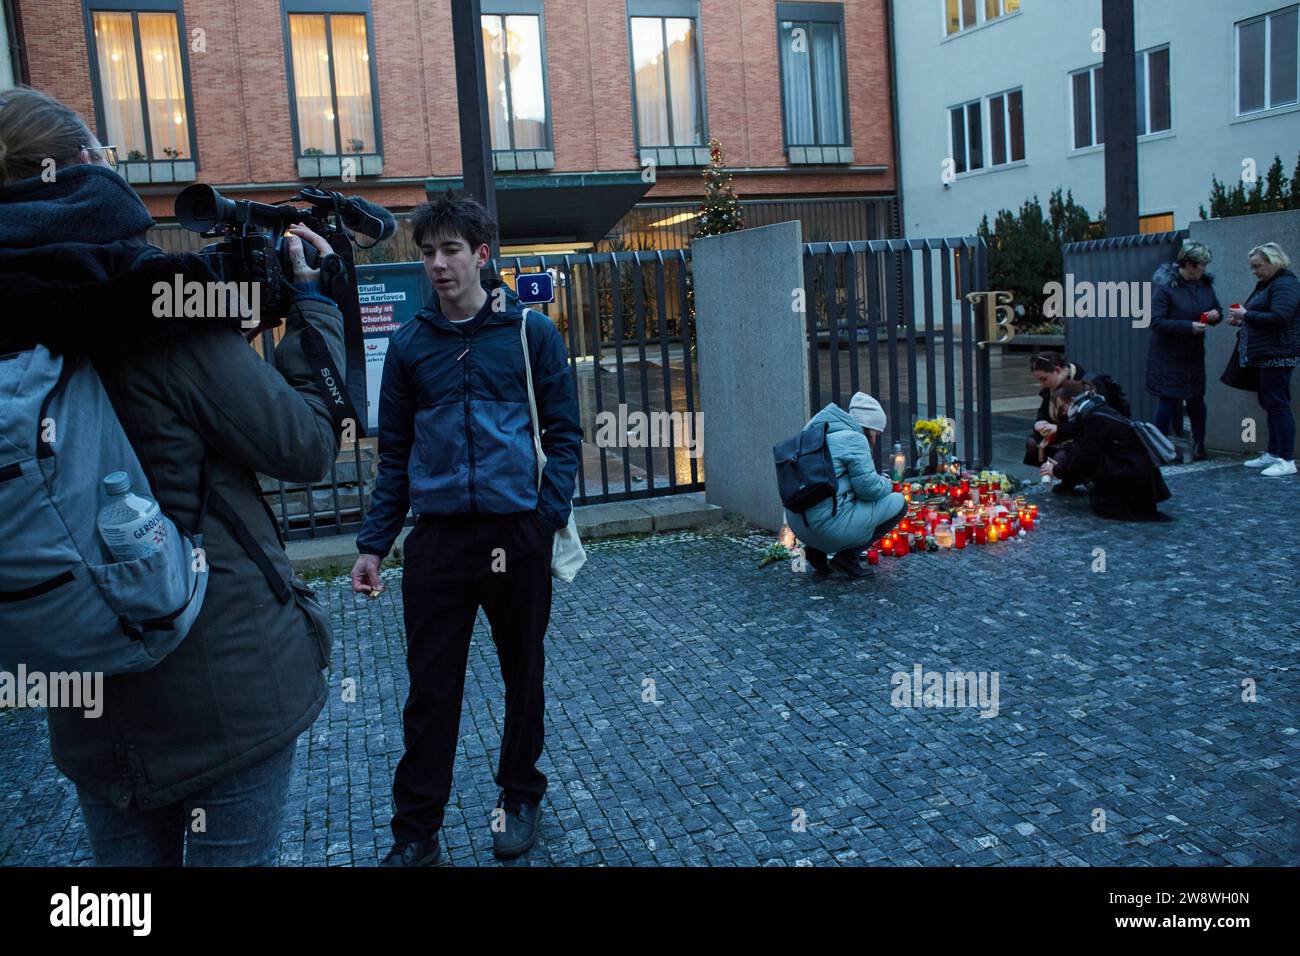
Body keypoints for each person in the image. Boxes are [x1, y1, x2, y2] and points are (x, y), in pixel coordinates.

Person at [0, 87, 346, 865]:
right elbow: (306, 446)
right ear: (83, 168)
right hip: (222, 687)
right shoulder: (154, 312)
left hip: (81, 696)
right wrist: (314, 310)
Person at [350, 192, 582, 867]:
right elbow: (393, 455)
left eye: (451, 249)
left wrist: (545, 519)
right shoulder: (410, 346)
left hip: (518, 532)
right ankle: (416, 831)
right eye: (428, 252)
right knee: (430, 691)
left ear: (482, 254)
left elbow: (564, 435)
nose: (438, 264)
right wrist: (373, 543)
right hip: (439, 541)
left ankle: (518, 796)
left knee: (523, 677)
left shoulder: (530, 333)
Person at [786, 392, 906, 578]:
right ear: (871, 429)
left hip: (799, 525)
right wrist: (888, 484)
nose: (876, 440)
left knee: (835, 501)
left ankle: (816, 552)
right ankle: (847, 559)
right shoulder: (854, 439)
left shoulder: (816, 430)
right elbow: (869, 490)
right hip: (825, 528)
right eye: (877, 434)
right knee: (899, 503)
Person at [1041, 380, 1171, 520]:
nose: (1063, 413)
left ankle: (1113, 500)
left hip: (1130, 473)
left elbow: (1086, 458)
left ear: (1071, 401)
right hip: (1135, 470)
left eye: (1062, 408)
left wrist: (1055, 470)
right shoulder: (1096, 409)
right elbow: (1078, 434)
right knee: (1073, 450)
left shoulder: (1094, 418)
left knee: (1079, 455)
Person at [1147, 240, 1223, 463]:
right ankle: (1158, 447)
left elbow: (1216, 307)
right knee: (1169, 399)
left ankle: (1199, 443)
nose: (1204, 269)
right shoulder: (1165, 287)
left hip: (1194, 353)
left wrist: (1215, 316)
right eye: (1201, 265)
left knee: (1196, 399)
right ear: (1189, 264)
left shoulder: (1205, 285)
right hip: (1168, 353)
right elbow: (1157, 321)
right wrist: (1188, 327)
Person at [1230, 242, 1299, 478]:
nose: (1255, 271)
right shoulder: (1268, 285)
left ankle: (1287, 459)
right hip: (1267, 355)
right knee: (1271, 404)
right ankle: (1274, 452)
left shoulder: (1285, 284)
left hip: (1278, 355)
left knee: (1278, 404)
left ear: (1273, 262)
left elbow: (1280, 317)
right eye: (1253, 267)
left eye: (1258, 266)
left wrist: (1247, 315)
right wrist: (1243, 319)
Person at [1024, 353, 1086, 466]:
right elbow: (1043, 411)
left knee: (1061, 457)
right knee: (1032, 443)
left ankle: (1061, 476)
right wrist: (1040, 422)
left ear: (1057, 370)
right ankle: (1049, 476)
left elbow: (1087, 425)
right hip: (1064, 431)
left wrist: (1057, 428)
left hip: (1086, 436)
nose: (1042, 385)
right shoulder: (1053, 386)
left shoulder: (1083, 384)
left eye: (1044, 379)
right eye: (1039, 380)